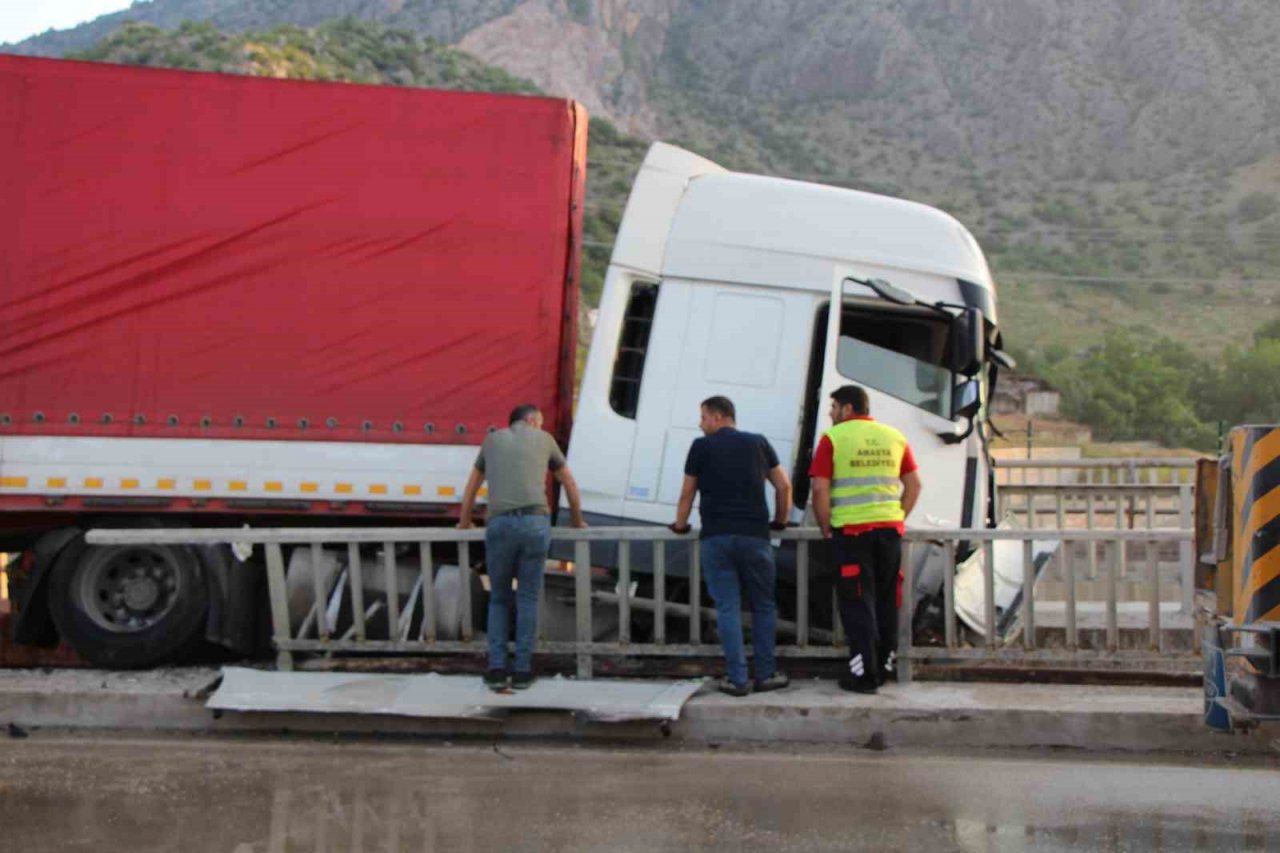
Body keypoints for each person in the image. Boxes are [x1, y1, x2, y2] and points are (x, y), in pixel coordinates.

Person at [671, 396, 793, 697]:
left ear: (717, 417)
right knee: (764, 605)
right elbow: (784, 486)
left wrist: (680, 525)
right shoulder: (758, 443)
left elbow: (687, 493)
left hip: (716, 538)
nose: (700, 424)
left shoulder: (701, 447)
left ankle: (737, 680)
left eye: (703, 417)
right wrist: (779, 521)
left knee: (728, 607)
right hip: (755, 536)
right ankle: (765, 675)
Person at [458, 404, 586, 692]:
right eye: (539, 422)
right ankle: (523, 670)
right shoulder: (545, 440)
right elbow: (569, 482)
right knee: (528, 597)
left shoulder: (491, 440)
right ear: (531, 420)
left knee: (499, 598)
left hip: (500, 524)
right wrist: (577, 520)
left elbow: (472, 485)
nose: (540, 427)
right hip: (534, 522)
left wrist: (464, 521)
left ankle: (496, 668)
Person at [809, 385, 921, 694]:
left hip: (852, 535)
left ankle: (864, 675)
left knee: (857, 602)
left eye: (833, 407)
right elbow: (914, 485)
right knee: (886, 600)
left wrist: (826, 528)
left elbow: (820, 489)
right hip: (889, 534)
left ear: (847, 409)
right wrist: (898, 516)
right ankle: (884, 665)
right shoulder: (894, 437)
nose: (831, 413)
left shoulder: (834, 439)